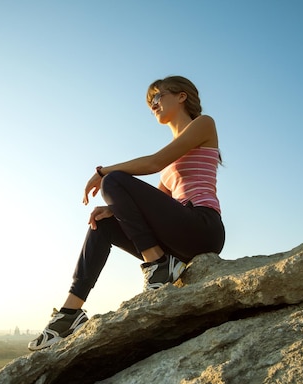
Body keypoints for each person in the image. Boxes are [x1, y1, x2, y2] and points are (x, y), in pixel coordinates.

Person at [28, 75, 226, 351]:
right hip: (179, 238)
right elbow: (150, 204)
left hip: (203, 227)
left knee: (114, 180)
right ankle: (70, 314)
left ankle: (157, 265)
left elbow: (155, 162)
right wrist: (113, 209)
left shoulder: (204, 124)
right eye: (150, 103)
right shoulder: (171, 168)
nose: (153, 105)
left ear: (181, 96)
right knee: (103, 223)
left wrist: (103, 172)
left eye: (157, 97)